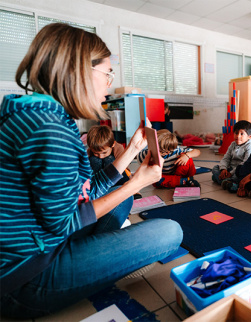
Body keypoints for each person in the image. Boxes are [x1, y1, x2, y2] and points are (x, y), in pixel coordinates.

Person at [0, 23, 183, 319]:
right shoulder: (50, 129)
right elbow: (66, 222)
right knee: (169, 231)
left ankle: (92, 261)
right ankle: (87, 273)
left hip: (38, 246)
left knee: (121, 200)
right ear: (78, 72)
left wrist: (133, 151)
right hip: (24, 278)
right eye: (107, 73)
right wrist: (137, 182)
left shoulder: (39, 113)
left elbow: (81, 192)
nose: (110, 83)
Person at [137, 130, 201, 188]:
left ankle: (181, 181)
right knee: (155, 180)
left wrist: (187, 156)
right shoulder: (147, 153)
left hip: (179, 173)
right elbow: (141, 164)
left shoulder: (176, 151)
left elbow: (197, 152)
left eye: (159, 151)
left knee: (187, 158)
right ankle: (184, 181)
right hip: (167, 177)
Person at [211, 120, 251, 192]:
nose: (238, 136)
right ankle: (227, 181)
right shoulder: (233, 144)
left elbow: (245, 164)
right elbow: (226, 158)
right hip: (231, 169)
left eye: (242, 134)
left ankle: (225, 180)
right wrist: (224, 169)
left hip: (242, 171)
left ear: (249, 136)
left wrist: (231, 173)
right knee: (215, 168)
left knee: (241, 174)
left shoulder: (250, 147)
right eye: (236, 133)